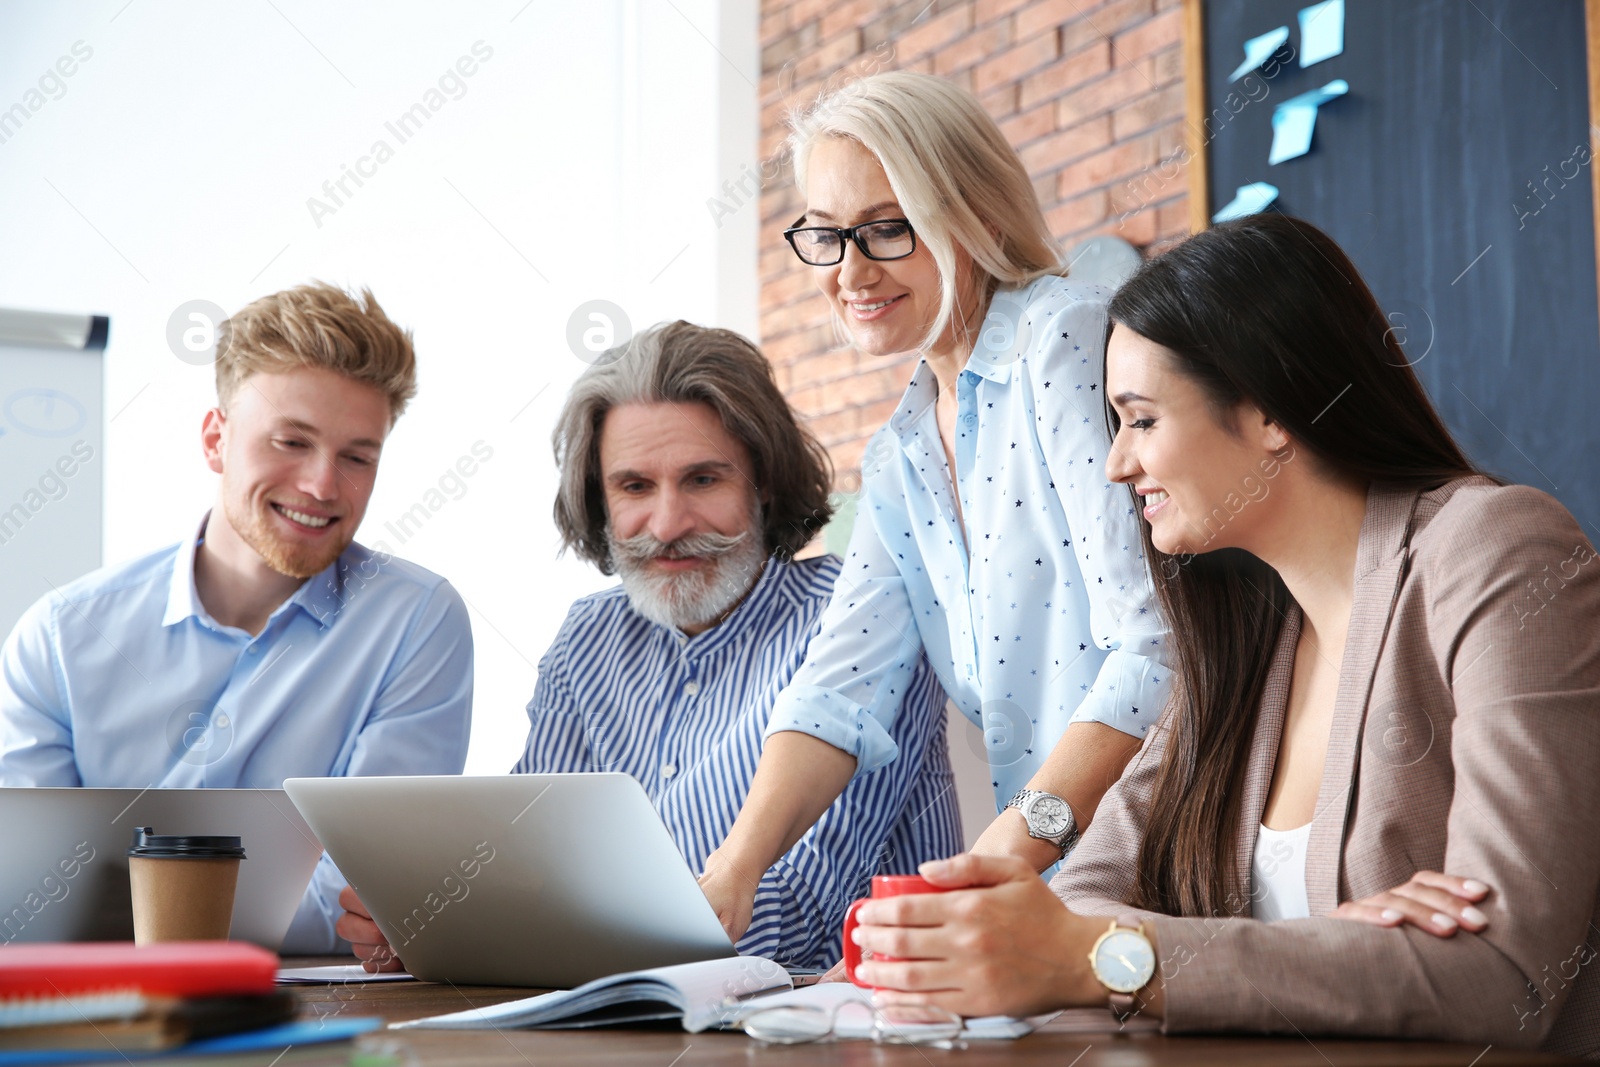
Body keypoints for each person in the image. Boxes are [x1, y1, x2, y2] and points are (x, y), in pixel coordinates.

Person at [842, 214, 1600, 1056]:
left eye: (1140, 419)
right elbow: (1086, 893)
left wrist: (1117, 959)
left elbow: (1506, 975)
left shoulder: (1497, 552)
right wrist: (1337, 949)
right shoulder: (1240, 634)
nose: (1115, 462)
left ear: (1271, 412)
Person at [698, 70, 1170, 943]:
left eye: (887, 228)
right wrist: (730, 872)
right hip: (1048, 882)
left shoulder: (1059, 338)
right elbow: (838, 692)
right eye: (827, 234)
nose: (850, 271)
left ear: (979, 215)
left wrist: (1001, 858)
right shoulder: (902, 449)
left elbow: (1155, 646)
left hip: (1159, 860)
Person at [336, 320, 961, 970]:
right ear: (599, 499)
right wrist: (434, 917)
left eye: (703, 480)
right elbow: (523, 861)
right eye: (635, 486)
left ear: (765, 481)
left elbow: (798, 916)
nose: (667, 525)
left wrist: (514, 922)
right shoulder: (587, 639)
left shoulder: (858, 615)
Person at [0, 283, 473, 951]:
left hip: (310, 1026)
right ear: (216, 440)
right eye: (291, 441)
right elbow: (29, 899)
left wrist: (135, 909)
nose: (321, 486)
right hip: (93, 1026)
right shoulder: (60, 637)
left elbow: (364, 898)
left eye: (357, 456)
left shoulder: (415, 623)